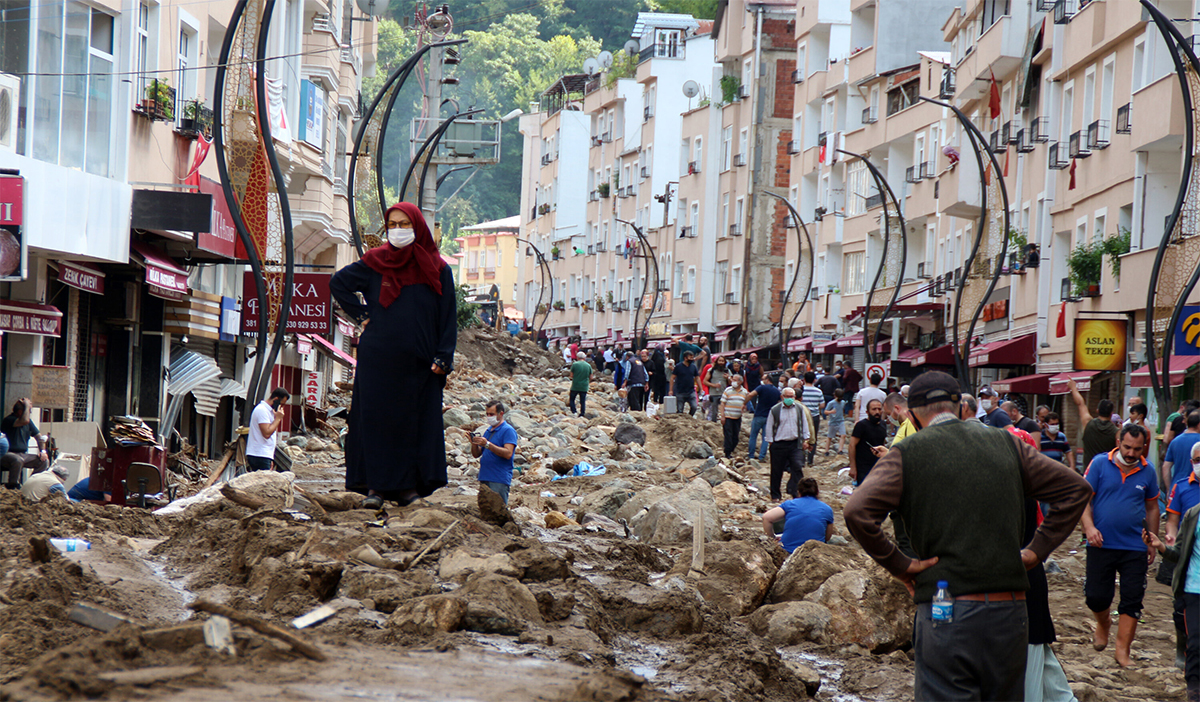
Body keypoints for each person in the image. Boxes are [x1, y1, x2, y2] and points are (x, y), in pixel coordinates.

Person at [844, 371, 1092, 702]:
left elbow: (856, 512)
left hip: (946, 613)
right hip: (1010, 614)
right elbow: (1076, 489)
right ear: (961, 407)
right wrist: (1036, 551)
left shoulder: (907, 453)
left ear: (913, 415)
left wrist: (900, 564)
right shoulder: (1008, 445)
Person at [330, 201, 457, 509]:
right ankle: (374, 488)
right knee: (376, 422)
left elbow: (448, 317)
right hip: (378, 361)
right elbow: (339, 283)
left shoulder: (438, 268)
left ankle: (408, 489)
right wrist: (361, 316)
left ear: (418, 226)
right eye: (393, 225)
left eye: (405, 224)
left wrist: (444, 356)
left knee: (413, 424)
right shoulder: (375, 262)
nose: (398, 231)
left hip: (420, 364)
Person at [1081, 424, 1159, 667]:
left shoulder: (1148, 471)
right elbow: (1083, 499)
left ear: (1144, 447)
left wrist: (1152, 539)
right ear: (1118, 441)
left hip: (1135, 546)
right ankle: (1103, 622)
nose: (1131, 453)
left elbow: (1153, 506)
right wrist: (1089, 528)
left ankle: (1122, 651)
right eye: (1127, 447)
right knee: (1095, 596)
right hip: (1101, 543)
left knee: (1133, 597)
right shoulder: (1100, 464)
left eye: (1137, 449)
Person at [1145, 505, 1200, 702]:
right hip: (1194, 588)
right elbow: (1178, 553)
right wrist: (1160, 546)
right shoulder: (1193, 515)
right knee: (1195, 641)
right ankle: (1194, 687)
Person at [764, 387, 814, 501]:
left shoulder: (799, 409)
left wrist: (806, 439)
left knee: (797, 467)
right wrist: (770, 441)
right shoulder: (775, 410)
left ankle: (797, 493)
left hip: (795, 443)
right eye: (787, 396)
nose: (790, 399)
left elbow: (804, 424)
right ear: (782, 397)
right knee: (776, 470)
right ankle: (775, 495)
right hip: (779, 443)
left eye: (792, 396)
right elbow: (769, 426)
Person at [761, 477, 835, 552]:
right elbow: (827, 537)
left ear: (799, 492)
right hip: (815, 553)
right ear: (817, 492)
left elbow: (766, 517)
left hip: (789, 551)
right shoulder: (827, 509)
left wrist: (772, 539)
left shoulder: (790, 504)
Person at [470, 400, 518, 505]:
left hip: (498, 478)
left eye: (491, 414)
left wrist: (488, 444)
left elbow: (508, 453)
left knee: (498, 509)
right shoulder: (489, 431)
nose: (489, 417)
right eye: (487, 414)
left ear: (501, 413)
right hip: (485, 476)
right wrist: (474, 443)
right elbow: (477, 454)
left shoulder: (507, 430)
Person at [1067, 378, 1119, 472]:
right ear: (1111, 413)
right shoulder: (1116, 432)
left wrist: (1073, 388)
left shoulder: (1088, 423)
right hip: (1107, 472)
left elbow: (1080, 403)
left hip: (1089, 471)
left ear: (1097, 411)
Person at [1, 398, 48, 477]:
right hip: (7, 453)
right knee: (17, 460)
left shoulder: (29, 422)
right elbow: (24, 421)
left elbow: (39, 437)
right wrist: (26, 405)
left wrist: (43, 451)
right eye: (29, 410)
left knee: (43, 461)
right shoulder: (9, 420)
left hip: (23, 454)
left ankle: (31, 482)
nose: (30, 412)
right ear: (20, 412)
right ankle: (13, 485)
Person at [246, 388, 289, 472]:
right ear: (276, 399)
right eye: (281, 404)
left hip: (264, 454)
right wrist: (278, 419)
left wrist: (270, 457)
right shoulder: (262, 410)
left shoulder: (269, 411)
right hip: (259, 455)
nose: (281, 407)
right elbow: (266, 433)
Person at [849, 399, 888, 485]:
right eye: (874, 409)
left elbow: (883, 443)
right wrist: (853, 467)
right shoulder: (861, 425)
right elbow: (852, 445)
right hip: (863, 467)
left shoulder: (883, 425)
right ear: (867, 411)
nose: (877, 412)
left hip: (878, 466)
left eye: (879, 409)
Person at [746, 372, 781, 461]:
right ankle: (762, 456)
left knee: (753, 435)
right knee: (765, 437)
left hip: (759, 414)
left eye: (763, 379)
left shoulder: (762, 388)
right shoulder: (777, 391)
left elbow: (751, 394)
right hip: (769, 416)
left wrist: (744, 403)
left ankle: (751, 455)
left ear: (767, 380)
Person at [719, 374, 749, 459]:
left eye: (735, 380)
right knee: (728, 435)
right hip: (728, 416)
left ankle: (731, 449)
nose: (733, 381)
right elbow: (722, 403)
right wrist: (722, 416)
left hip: (737, 417)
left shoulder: (744, 392)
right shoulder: (728, 390)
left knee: (735, 436)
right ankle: (727, 452)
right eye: (733, 379)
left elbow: (746, 402)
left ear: (740, 382)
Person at [1167, 413, 1200, 489]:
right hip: (1195, 486)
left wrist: (1169, 488)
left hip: (1176, 486)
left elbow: (1166, 466)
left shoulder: (1175, 441)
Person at [800, 372, 825, 466]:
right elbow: (822, 405)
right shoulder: (818, 391)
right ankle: (810, 460)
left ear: (804, 379)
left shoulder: (802, 390)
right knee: (813, 438)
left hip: (802, 415)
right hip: (814, 416)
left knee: (801, 436)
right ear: (814, 380)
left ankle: (801, 459)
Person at [671, 351, 700, 416]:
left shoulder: (693, 367)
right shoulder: (678, 366)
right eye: (690, 357)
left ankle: (689, 417)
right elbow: (672, 378)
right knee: (680, 410)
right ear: (685, 358)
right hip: (680, 391)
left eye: (692, 357)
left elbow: (697, 377)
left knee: (694, 407)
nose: (692, 359)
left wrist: (701, 388)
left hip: (691, 391)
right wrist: (671, 390)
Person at [702, 356, 729, 422]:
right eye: (720, 361)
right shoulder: (711, 370)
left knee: (726, 410)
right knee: (714, 411)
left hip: (724, 393)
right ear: (716, 362)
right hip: (714, 393)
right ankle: (714, 423)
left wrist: (728, 378)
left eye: (722, 361)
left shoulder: (727, 370)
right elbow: (705, 381)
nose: (721, 362)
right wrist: (714, 385)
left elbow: (732, 382)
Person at [822, 387, 848, 455]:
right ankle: (826, 450)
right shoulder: (831, 403)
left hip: (840, 421)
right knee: (830, 437)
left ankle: (840, 450)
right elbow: (825, 411)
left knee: (843, 435)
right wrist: (831, 412)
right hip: (833, 422)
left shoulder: (843, 402)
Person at [568, 352, 592, 417]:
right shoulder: (588, 365)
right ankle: (582, 413)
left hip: (575, 385)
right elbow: (591, 377)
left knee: (572, 399)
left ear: (577, 357)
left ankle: (574, 411)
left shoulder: (575, 364)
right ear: (584, 358)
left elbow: (571, 375)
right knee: (583, 401)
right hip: (584, 386)